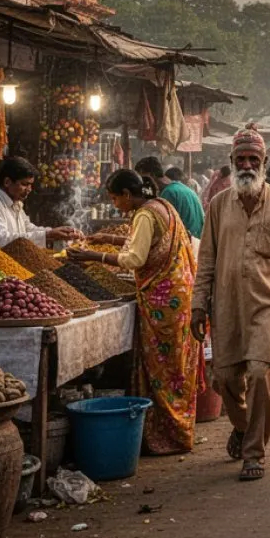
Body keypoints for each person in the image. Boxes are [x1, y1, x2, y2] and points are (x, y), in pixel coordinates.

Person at [190, 125, 270, 482]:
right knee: (224, 379)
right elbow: (206, 259)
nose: (246, 164)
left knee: (259, 374)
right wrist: (198, 304)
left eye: (252, 159)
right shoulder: (217, 205)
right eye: (240, 158)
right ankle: (242, 427)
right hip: (225, 305)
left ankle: (254, 451)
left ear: (264, 162)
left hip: (267, 304)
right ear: (230, 161)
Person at [72, 170, 201, 454]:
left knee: (162, 369)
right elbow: (145, 242)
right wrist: (107, 237)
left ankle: (166, 435)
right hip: (178, 296)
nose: (115, 204)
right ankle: (180, 430)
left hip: (162, 302)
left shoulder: (144, 215)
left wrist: (92, 256)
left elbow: (135, 258)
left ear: (128, 195)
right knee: (176, 367)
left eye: (115, 198)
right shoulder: (162, 206)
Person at [0, 156, 81, 247]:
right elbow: (1, 240)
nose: (29, 189)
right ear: (7, 182)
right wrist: (47, 234)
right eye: (24, 184)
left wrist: (54, 233)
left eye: (30, 185)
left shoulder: (16, 203)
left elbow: (28, 228)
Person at [135, 156, 205, 239]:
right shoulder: (181, 187)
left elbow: (162, 229)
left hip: (186, 244)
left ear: (152, 175)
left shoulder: (168, 193)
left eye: (143, 179)